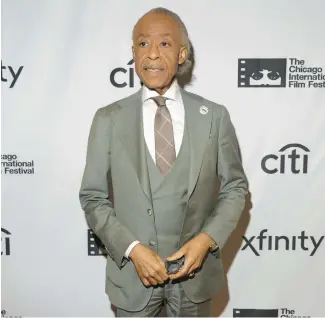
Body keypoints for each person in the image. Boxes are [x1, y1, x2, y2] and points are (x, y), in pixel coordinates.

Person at [79, 7, 248, 317]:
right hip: (132, 280)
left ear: (182, 54)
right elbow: (92, 197)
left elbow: (236, 188)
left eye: (165, 44)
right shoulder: (108, 119)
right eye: (143, 44)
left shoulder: (214, 117)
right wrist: (132, 250)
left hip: (194, 282)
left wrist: (206, 240)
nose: (152, 54)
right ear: (133, 53)